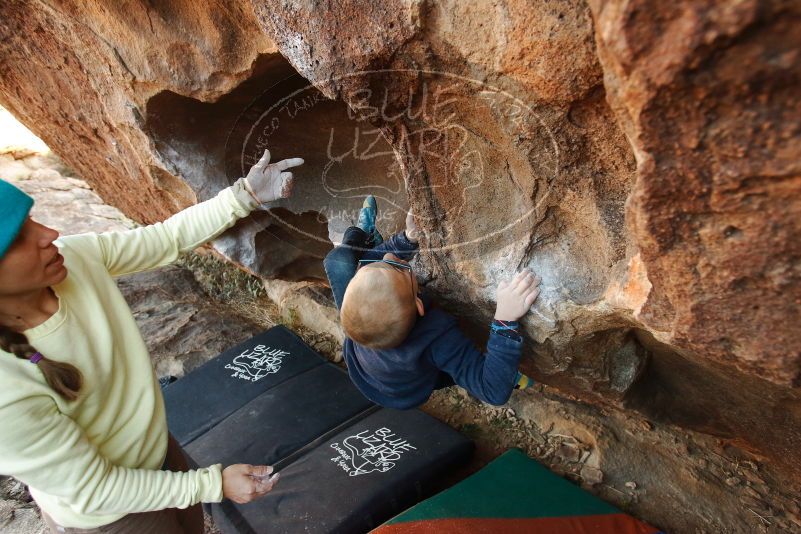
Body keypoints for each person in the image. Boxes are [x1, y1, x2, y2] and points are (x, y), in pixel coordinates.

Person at [0, 149, 302, 534]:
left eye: (33, 220)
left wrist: (243, 196)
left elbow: (162, 238)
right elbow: (95, 488)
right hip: (112, 514)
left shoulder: (74, 258)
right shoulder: (4, 390)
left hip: (153, 449)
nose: (49, 234)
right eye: (20, 239)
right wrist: (209, 484)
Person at [323, 196, 540, 410]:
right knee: (454, 369)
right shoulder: (437, 337)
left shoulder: (357, 313)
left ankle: (364, 237)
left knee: (337, 260)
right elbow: (493, 392)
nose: (389, 254)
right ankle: (504, 373)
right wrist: (505, 318)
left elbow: (375, 264)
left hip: (362, 365)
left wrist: (408, 239)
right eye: (400, 268)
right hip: (407, 387)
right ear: (419, 304)